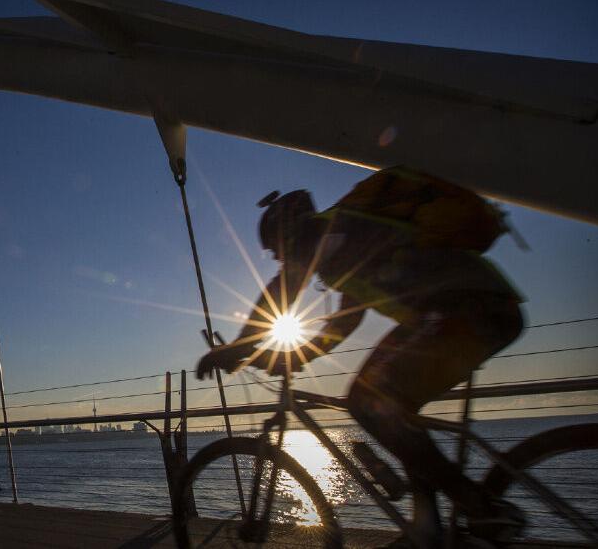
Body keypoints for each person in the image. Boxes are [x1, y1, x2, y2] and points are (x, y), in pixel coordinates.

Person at [197, 166, 526, 542]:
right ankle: (427, 524)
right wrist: (295, 357)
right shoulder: (350, 243)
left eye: (276, 250)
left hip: (464, 312)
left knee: (367, 400)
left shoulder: (322, 231)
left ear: (288, 230)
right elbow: (343, 325)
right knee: (394, 410)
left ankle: (479, 507)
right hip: (476, 309)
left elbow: (283, 288)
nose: (279, 259)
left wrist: (235, 348)